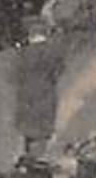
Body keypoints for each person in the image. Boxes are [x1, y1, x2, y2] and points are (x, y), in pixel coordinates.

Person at [13, 18, 68, 158]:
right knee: (43, 124)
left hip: (25, 93)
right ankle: (41, 156)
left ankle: (26, 153)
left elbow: (14, 74)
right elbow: (59, 69)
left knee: (27, 123)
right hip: (45, 91)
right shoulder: (50, 51)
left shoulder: (21, 53)